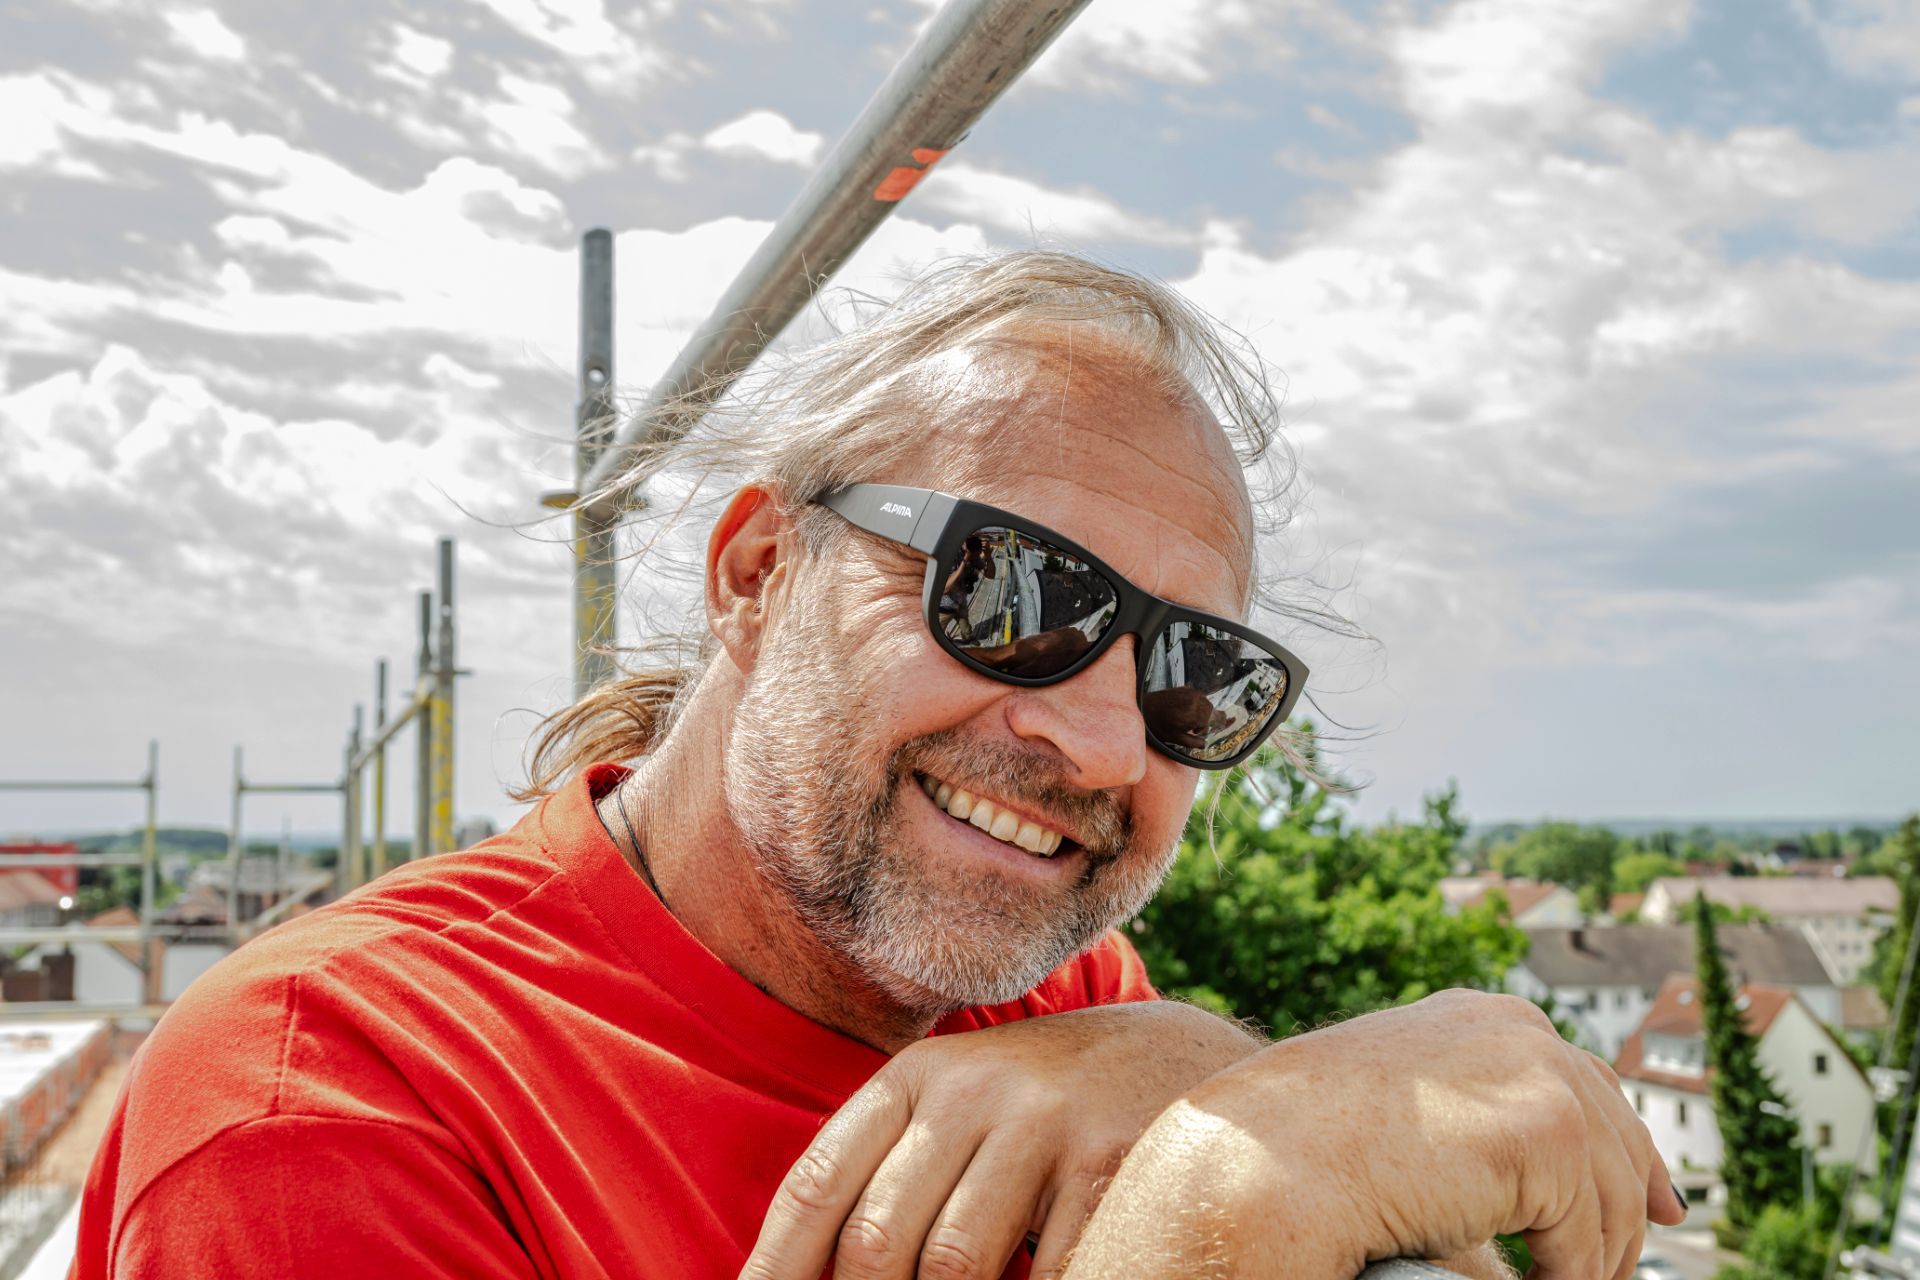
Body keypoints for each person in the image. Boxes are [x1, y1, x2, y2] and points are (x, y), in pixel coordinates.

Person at [71, 252, 1681, 1279]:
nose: (1104, 737)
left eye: (1200, 674)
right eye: (1013, 594)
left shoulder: (1063, 994)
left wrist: (1189, 1060)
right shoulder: (332, 1102)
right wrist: (1224, 1209)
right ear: (758, 570)